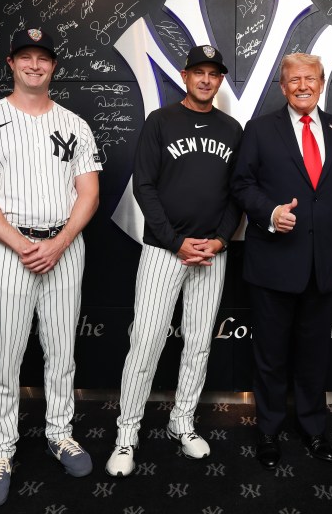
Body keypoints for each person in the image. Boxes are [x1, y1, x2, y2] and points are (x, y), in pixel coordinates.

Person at [0, 28, 102, 508]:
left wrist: (57, 243)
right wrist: (23, 245)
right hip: (6, 246)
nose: (35, 65)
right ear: (10, 63)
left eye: (44, 58)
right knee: (5, 355)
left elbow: (89, 193)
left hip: (64, 245)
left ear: (54, 67)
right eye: (26, 57)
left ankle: (60, 432)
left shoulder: (75, 124)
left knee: (61, 350)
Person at [105, 45, 243, 478]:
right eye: (198, 72)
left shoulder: (232, 128)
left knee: (199, 344)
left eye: (213, 73)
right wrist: (176, 240)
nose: (205, 79)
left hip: (211, 254)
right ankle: (126, 433)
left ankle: (182, 423)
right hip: (165, 252)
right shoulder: (160, 121)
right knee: (146, 343)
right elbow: (144, 186)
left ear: (220, 80)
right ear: (185, 76)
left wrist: (220, 240)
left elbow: (237, 192)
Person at [231, 52, 332, 470]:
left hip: (325, 265)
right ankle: (268, 432)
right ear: (282, 86)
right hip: (273, 263)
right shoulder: (259, 130)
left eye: (310, 78)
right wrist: (269, 213)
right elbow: (240, 184)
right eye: (294, 80)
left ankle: (313, 428)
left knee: (314, 357)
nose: (302, 85)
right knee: (270, 356)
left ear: (322, 83)